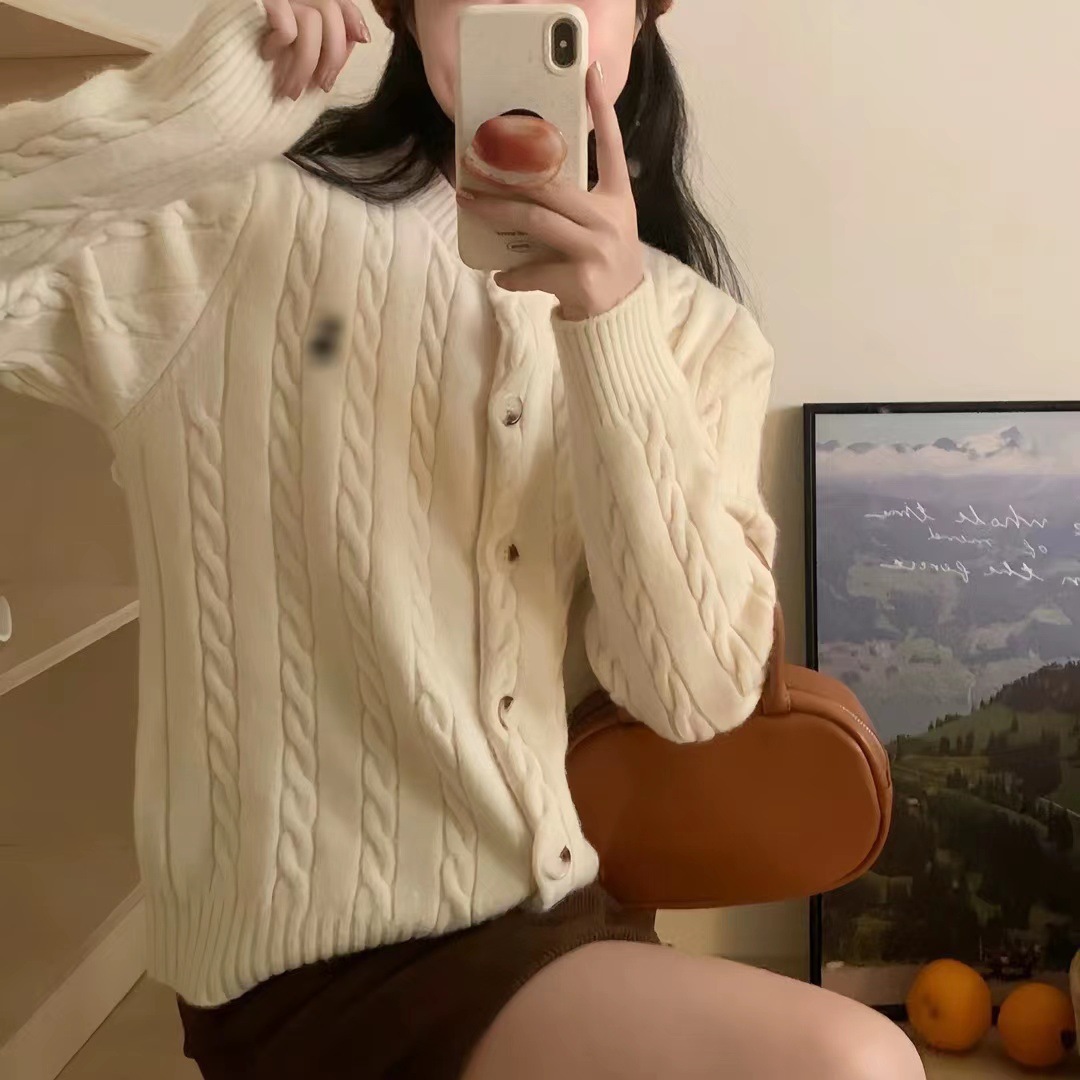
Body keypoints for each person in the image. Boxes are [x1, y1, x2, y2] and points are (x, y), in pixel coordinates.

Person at [0, 1, 925, 1077]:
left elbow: (695, 696)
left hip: (559, 915)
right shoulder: (227, 225)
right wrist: (193, 107)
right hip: (303, 961)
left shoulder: (690, 327)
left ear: (638, 19)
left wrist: (611, 329)